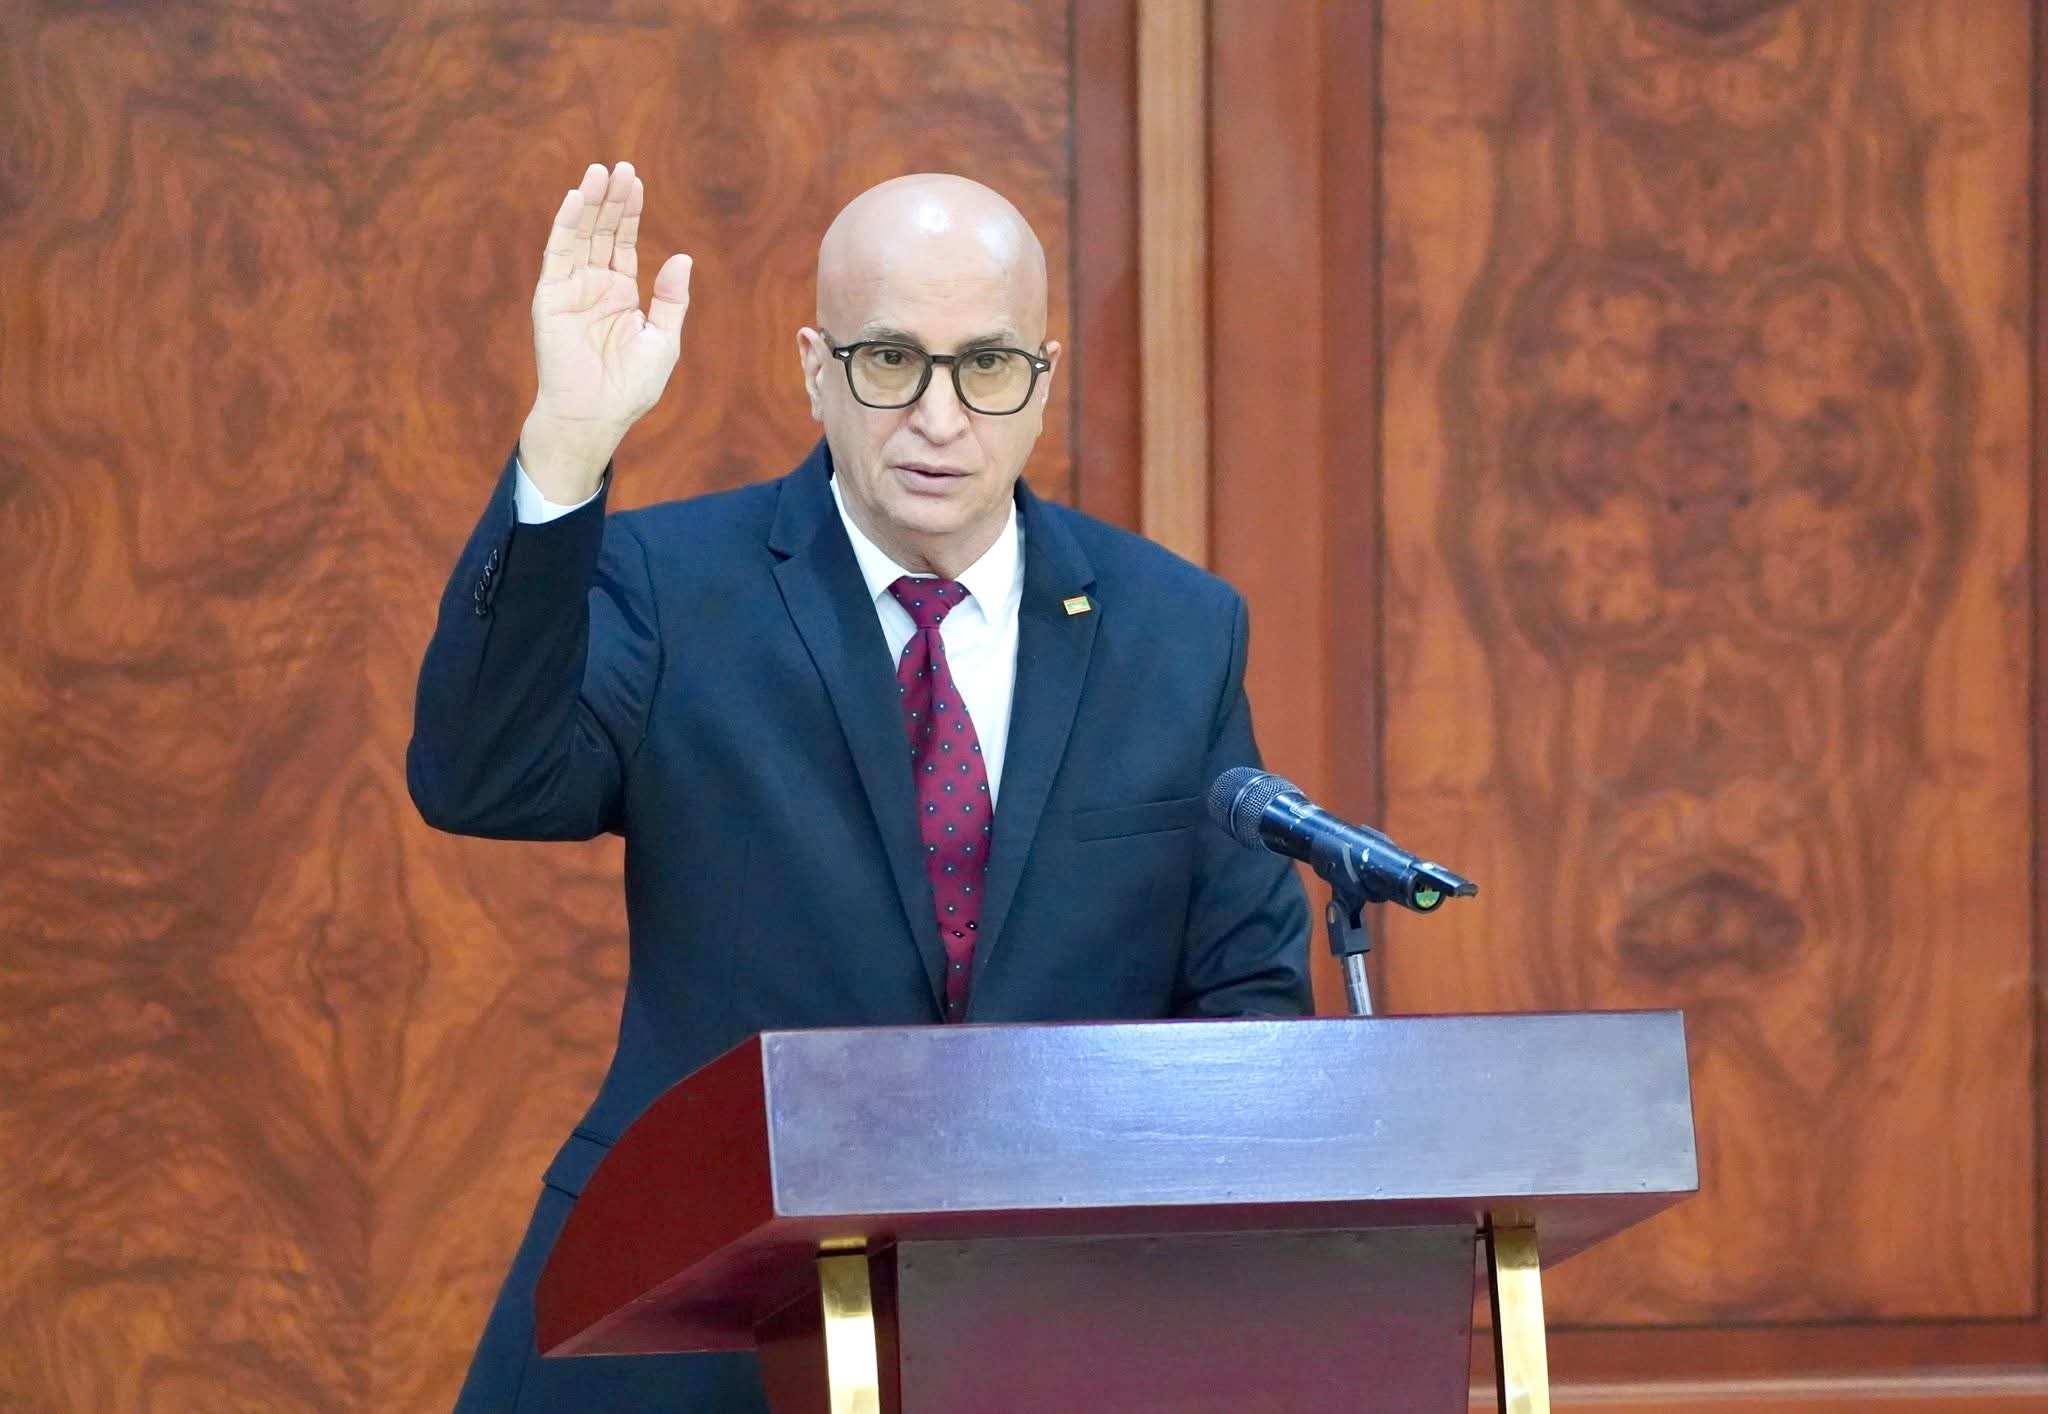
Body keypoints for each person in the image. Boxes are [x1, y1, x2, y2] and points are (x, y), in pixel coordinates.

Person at [410, 160, 1311, 1412]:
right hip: (695, 1307)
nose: (938, 417)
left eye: (985, 365)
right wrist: (569, 442)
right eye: (890, 360)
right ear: (814, 367)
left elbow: (1245, 1000)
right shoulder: (673, 586)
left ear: (1041, 377)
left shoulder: (1175, 628)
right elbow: (481, 779)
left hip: (1044, 1331)